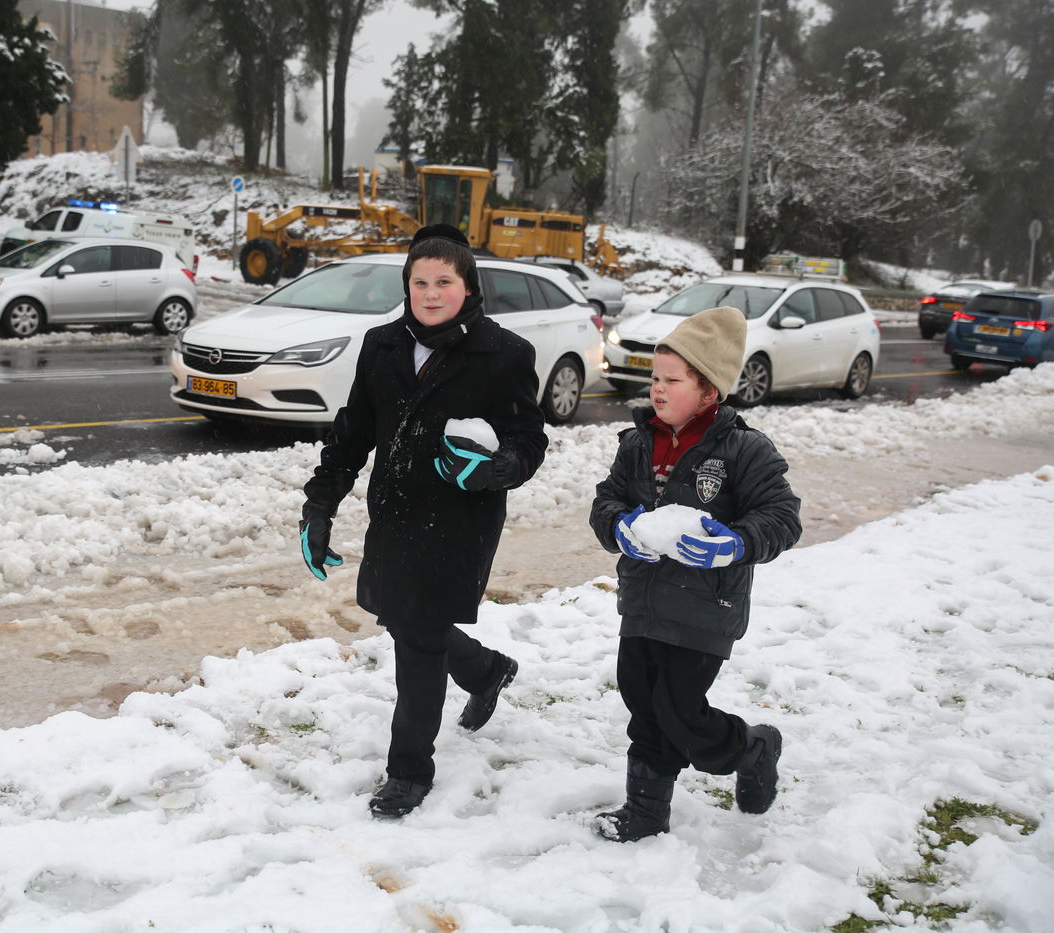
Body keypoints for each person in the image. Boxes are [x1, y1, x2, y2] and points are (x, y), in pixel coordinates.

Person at [300, 224, 549, 819]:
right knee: (402, 619)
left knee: (417, 637)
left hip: (460, 521)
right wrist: (320, 504)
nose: (430, 293)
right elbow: (352, 433)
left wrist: (493, 470)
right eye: (419, 282)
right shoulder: (381, 344)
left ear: (468, 287)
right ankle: (488, 670)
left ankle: (409, 771)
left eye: (444, 282)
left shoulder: (504, 353)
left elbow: (527, 442)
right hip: (394, 511)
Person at [588, 305, 802, 842]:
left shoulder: (743, 449)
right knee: (642, 700)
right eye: (655, 378)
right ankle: (645, 813)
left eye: (672, 380)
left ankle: (754, 747)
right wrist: (619, 526)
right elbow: (607, 500)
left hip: (707, 608)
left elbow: (781, 516)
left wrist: (736, 544)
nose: (657, 389)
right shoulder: (638, 443)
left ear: (708, 391)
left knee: (679, 711)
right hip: (643, 601)